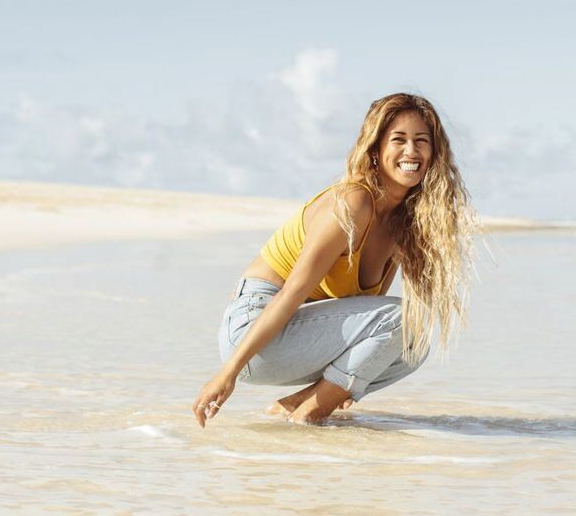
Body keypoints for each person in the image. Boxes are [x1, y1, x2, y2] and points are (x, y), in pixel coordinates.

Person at [192, 93, 480, 427]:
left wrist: (343, 382)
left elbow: (363, 310)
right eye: (398, 140)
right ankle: (311, 414)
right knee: (401, 318)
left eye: (422, 141)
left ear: (434, 152)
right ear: (375, 150)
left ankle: (295, 408)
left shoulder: (404, 222)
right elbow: (291, 294)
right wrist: (226, 374)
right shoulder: (353, 203)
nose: (411, 152)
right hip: (253, 332)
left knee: (414, 342)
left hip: (293, 333)